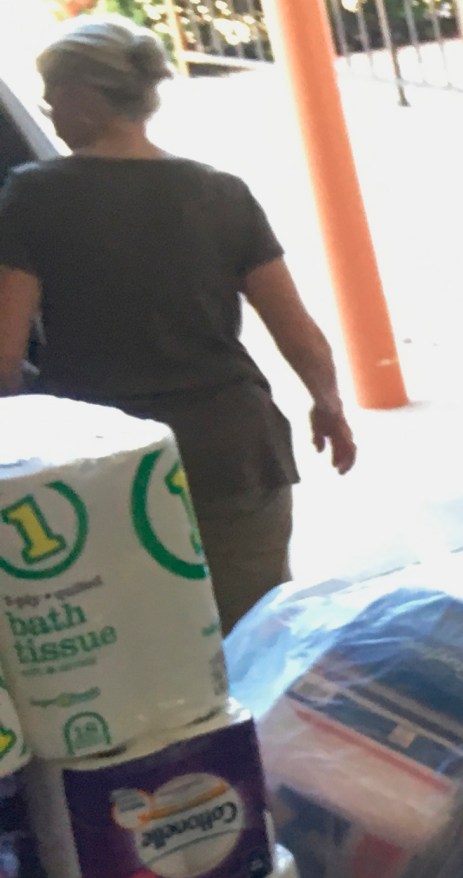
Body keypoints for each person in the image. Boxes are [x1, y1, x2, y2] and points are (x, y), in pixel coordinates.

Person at [0, 15, 355, 630]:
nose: (50, 112)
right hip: (233, 450)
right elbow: (295, 327)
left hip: (102, 463)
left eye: (53, 96)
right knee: (255, 635)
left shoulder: (33, 196)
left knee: (136, 643)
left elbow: (4, 352)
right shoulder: (220, 191)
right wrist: (328, 403)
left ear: (84, 98)